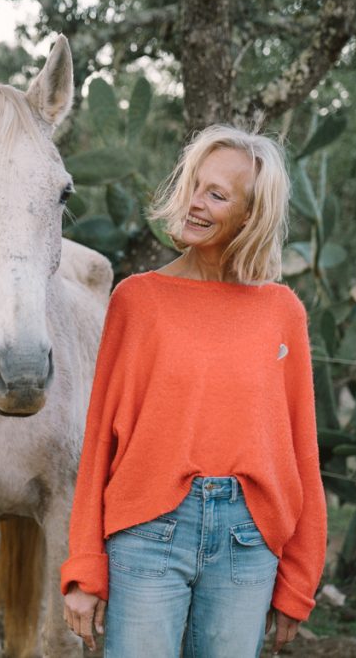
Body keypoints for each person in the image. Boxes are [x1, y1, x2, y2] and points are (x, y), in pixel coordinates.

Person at [61, 124, 326, 657]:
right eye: (193, 184)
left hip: (247, 543)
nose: (194, 203)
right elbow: (98, 444)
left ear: (251, 216)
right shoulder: (137, 302)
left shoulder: (282, 313)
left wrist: (299, 577)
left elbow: (299, 451)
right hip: (147, 532)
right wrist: (85, 567)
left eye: (217, 194)